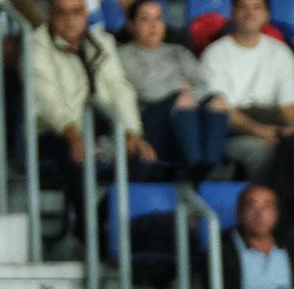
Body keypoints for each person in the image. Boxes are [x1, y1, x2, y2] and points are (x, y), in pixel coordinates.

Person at [33, 0, 156, 200]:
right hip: (57, 132)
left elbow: (120, 88)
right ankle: (85, 226)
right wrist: (72, 134)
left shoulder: (102, 41)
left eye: (77, 12)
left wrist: (132, 132)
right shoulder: (36, 45)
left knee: (141, 156)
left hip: (102, 128)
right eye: (62, 13)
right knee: (75, 155)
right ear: (50, 15)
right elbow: (46, 100)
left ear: (86, 14)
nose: (70, 20)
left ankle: (105, 215)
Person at [117, 0, 231, 178]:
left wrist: (184, 92)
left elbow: (203, 85)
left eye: (158, 19)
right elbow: (146, 90)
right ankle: (195, 165)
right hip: (148, 122)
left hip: (185, 116)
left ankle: (209, 164)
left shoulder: (179, 51)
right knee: (183, 100)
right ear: (132, 25)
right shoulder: (124, 54)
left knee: (218, 101)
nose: (153, 26)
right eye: (145, 20)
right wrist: (180, 87)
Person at [200, 0, 294, 181]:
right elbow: (223, 110)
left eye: (257, 7)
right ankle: (263, 205)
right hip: (231, 132)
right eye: (243, 7)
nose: (250, 13)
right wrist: (261, 131)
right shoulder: (215, 53)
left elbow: (290, 107)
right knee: (264, 152)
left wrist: (290, 133)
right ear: (232, 13)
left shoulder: (281, 52)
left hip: (272, 124)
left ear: (267, 15)